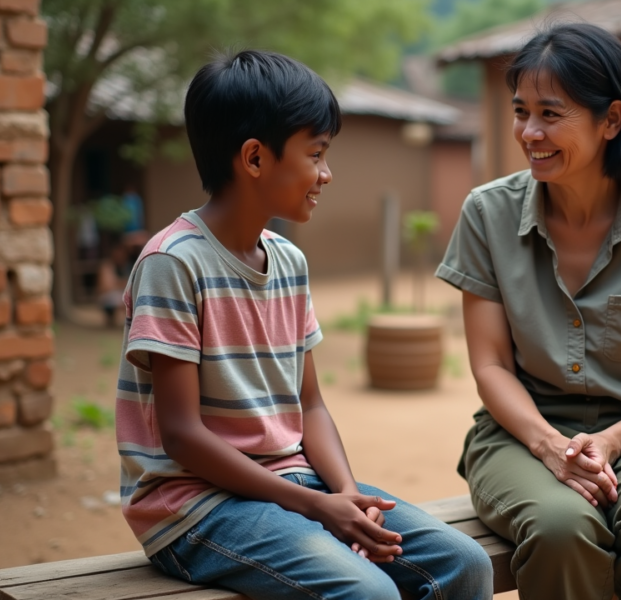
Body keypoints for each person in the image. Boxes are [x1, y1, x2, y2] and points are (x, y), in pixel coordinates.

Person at [114, 50, 493, 600]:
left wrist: (346, 494)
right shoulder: (173, 263)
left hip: (295, 483)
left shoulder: (289, 261)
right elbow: (182, 435)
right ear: (254, 158)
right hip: (196, 506)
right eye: (315, 154)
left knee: (466, 564)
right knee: (369, 594)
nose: (326, 173)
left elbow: (309, 405)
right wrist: (317, 506)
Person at [436, 23, 621, 600]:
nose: (529, 132)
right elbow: (491, 365)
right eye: (520, 112)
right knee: (558, 527)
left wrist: (614, 440)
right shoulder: (487, 215)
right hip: (520, 432)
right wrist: (549, 445)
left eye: (551, 114)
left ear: (611, 120)